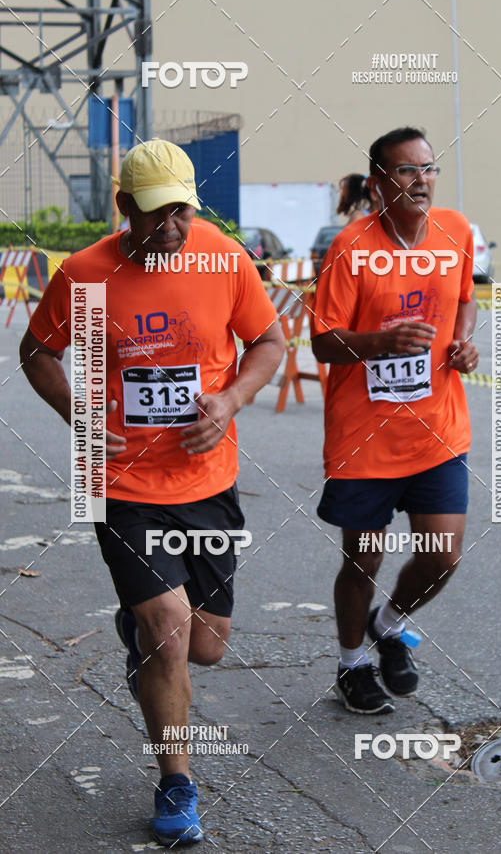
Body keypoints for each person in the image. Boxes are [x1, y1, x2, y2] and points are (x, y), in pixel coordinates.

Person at [20, 139, 284, 844]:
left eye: (183, 211)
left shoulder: (222, 258)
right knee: (168, 631)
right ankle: (176, 785)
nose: (172, 227)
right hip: (122, 483)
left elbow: (269, 343)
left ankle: (138, 630)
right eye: (157, 212)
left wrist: (230, 401)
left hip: (207, 479)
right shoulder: (84, 273)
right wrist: (77, 413)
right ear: (124, 207)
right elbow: (37, 351)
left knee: (207, 647)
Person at [311, 127, 478, 715]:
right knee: (364, 560)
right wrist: (380, 342)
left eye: (428, 168)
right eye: (407, 170)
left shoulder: (455, 231)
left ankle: (389, 622)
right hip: (365, 440)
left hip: (438, 430)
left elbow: (465, 299)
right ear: (379, 183)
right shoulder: (350, 248)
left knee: (442, 555)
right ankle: (350, 662)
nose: (421, 180)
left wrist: (462, 342)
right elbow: (323, 343)